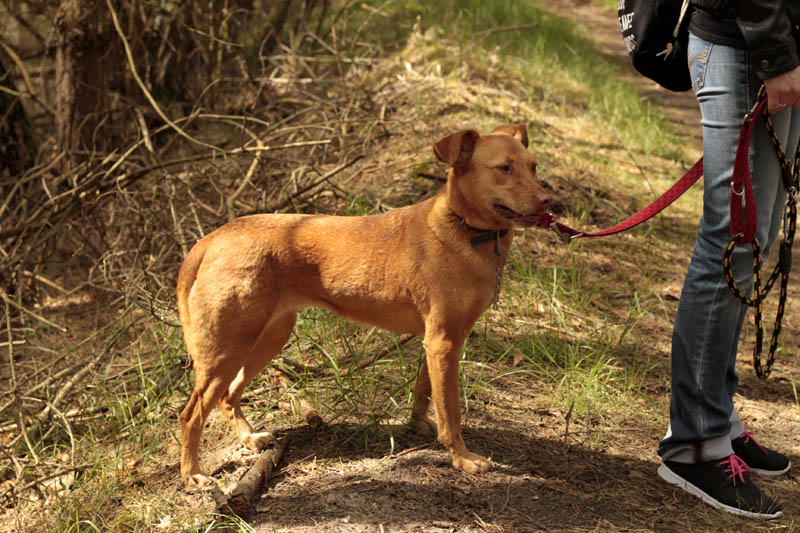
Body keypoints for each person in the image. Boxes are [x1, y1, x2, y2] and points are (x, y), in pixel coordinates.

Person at [656, 0, 800, 520]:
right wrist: (776, 55)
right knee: (732, 240)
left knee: (752, 240)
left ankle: (716, 418)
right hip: (746, 46)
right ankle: (694, 444)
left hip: (776, 47)